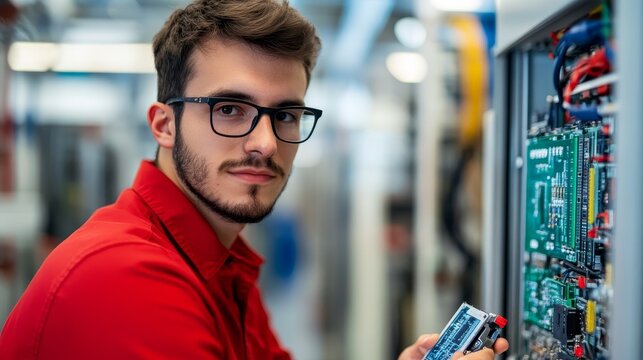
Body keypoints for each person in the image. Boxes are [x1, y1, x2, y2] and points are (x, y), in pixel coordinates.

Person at [0, 0, 508, 359]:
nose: (265, 142)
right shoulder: (125, 278)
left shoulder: (221, 265)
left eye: (285, 115)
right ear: (164, 124)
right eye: (230, 108)